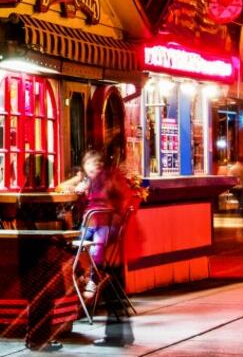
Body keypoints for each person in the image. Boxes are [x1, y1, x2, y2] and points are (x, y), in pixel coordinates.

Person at [74, 149, 134, 348]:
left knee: (109, 283)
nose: (92, 167)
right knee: (114, 286)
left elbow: (118, 203)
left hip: (106, 240)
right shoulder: (105, 179)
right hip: (111, 240)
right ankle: (122, 334)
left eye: (94, 163)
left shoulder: (105, 181)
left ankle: (115, 336)